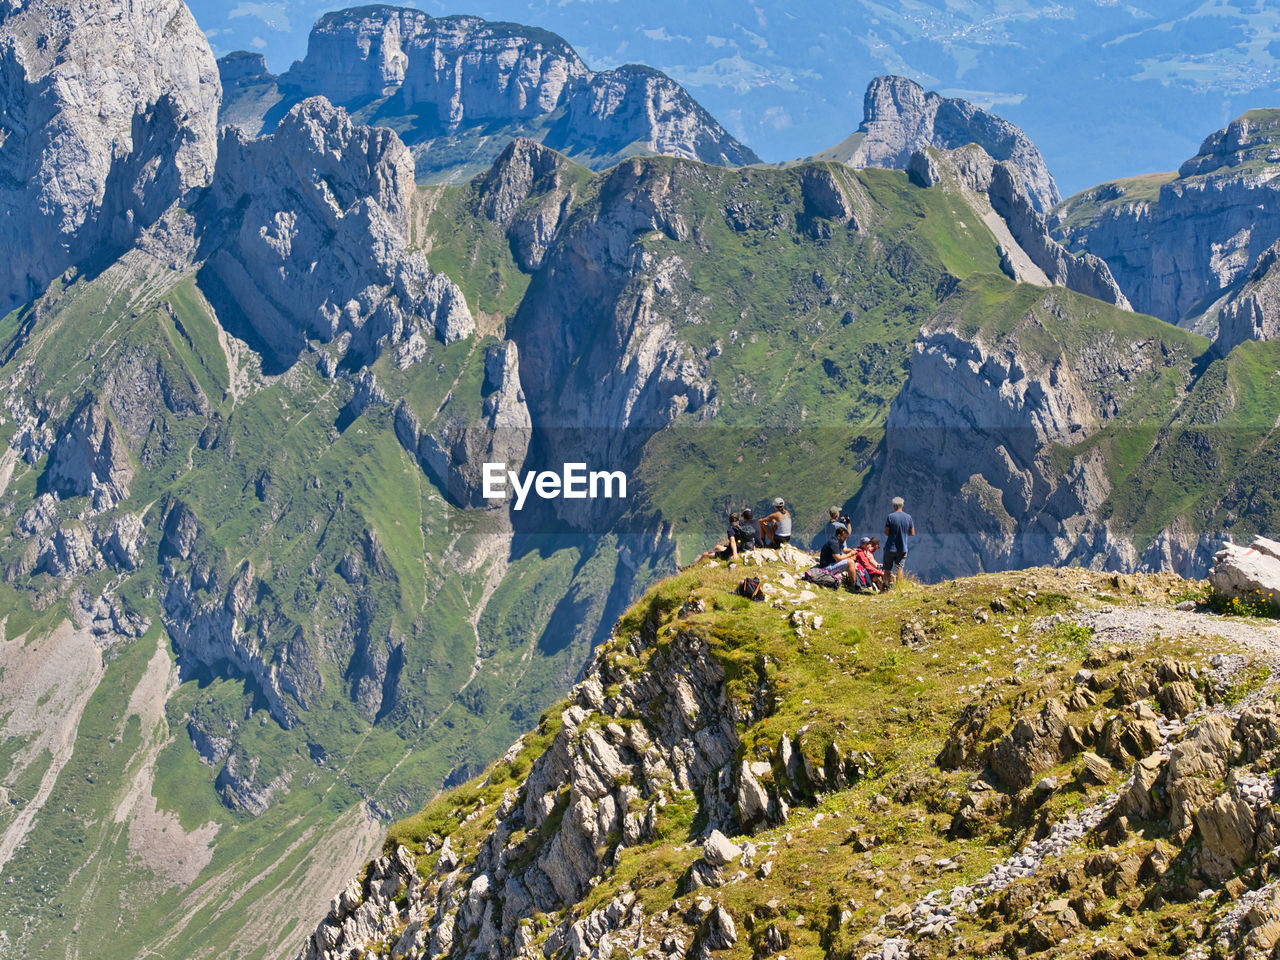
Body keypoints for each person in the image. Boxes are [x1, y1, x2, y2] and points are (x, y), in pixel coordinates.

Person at [883, 497, 915, 581]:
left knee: (887, 569)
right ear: (902, 505)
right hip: (902, 548)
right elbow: (912, 533)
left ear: (894, 506)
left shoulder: (890, 516)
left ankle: (885, 588)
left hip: (890, 547)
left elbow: (886, 532)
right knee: (899, 569)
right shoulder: (908, 517)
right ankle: (899, 587)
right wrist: (903, 533)